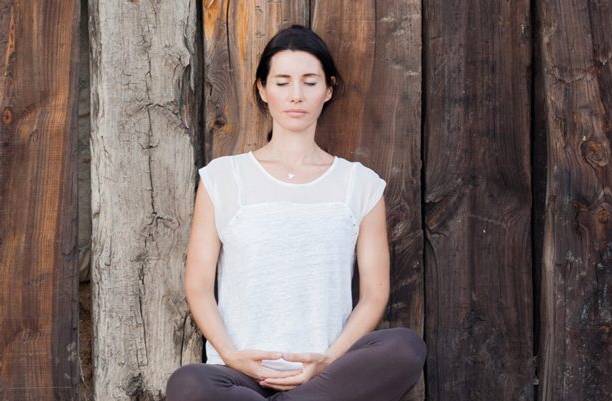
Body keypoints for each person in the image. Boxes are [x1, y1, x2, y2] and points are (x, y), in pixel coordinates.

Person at [165, 25, 426, 401]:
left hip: (327, 376)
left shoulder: (361, 184)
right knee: (188, 383)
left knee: (405, 348)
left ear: (328, 89)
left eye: (309, 81)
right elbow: (199, 285)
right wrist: (234, 358)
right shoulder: (223, 177)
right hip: (238, 378)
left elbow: (374, 293)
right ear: (262, 90)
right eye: (283, 82)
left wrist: (329, 361)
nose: (296, 95)